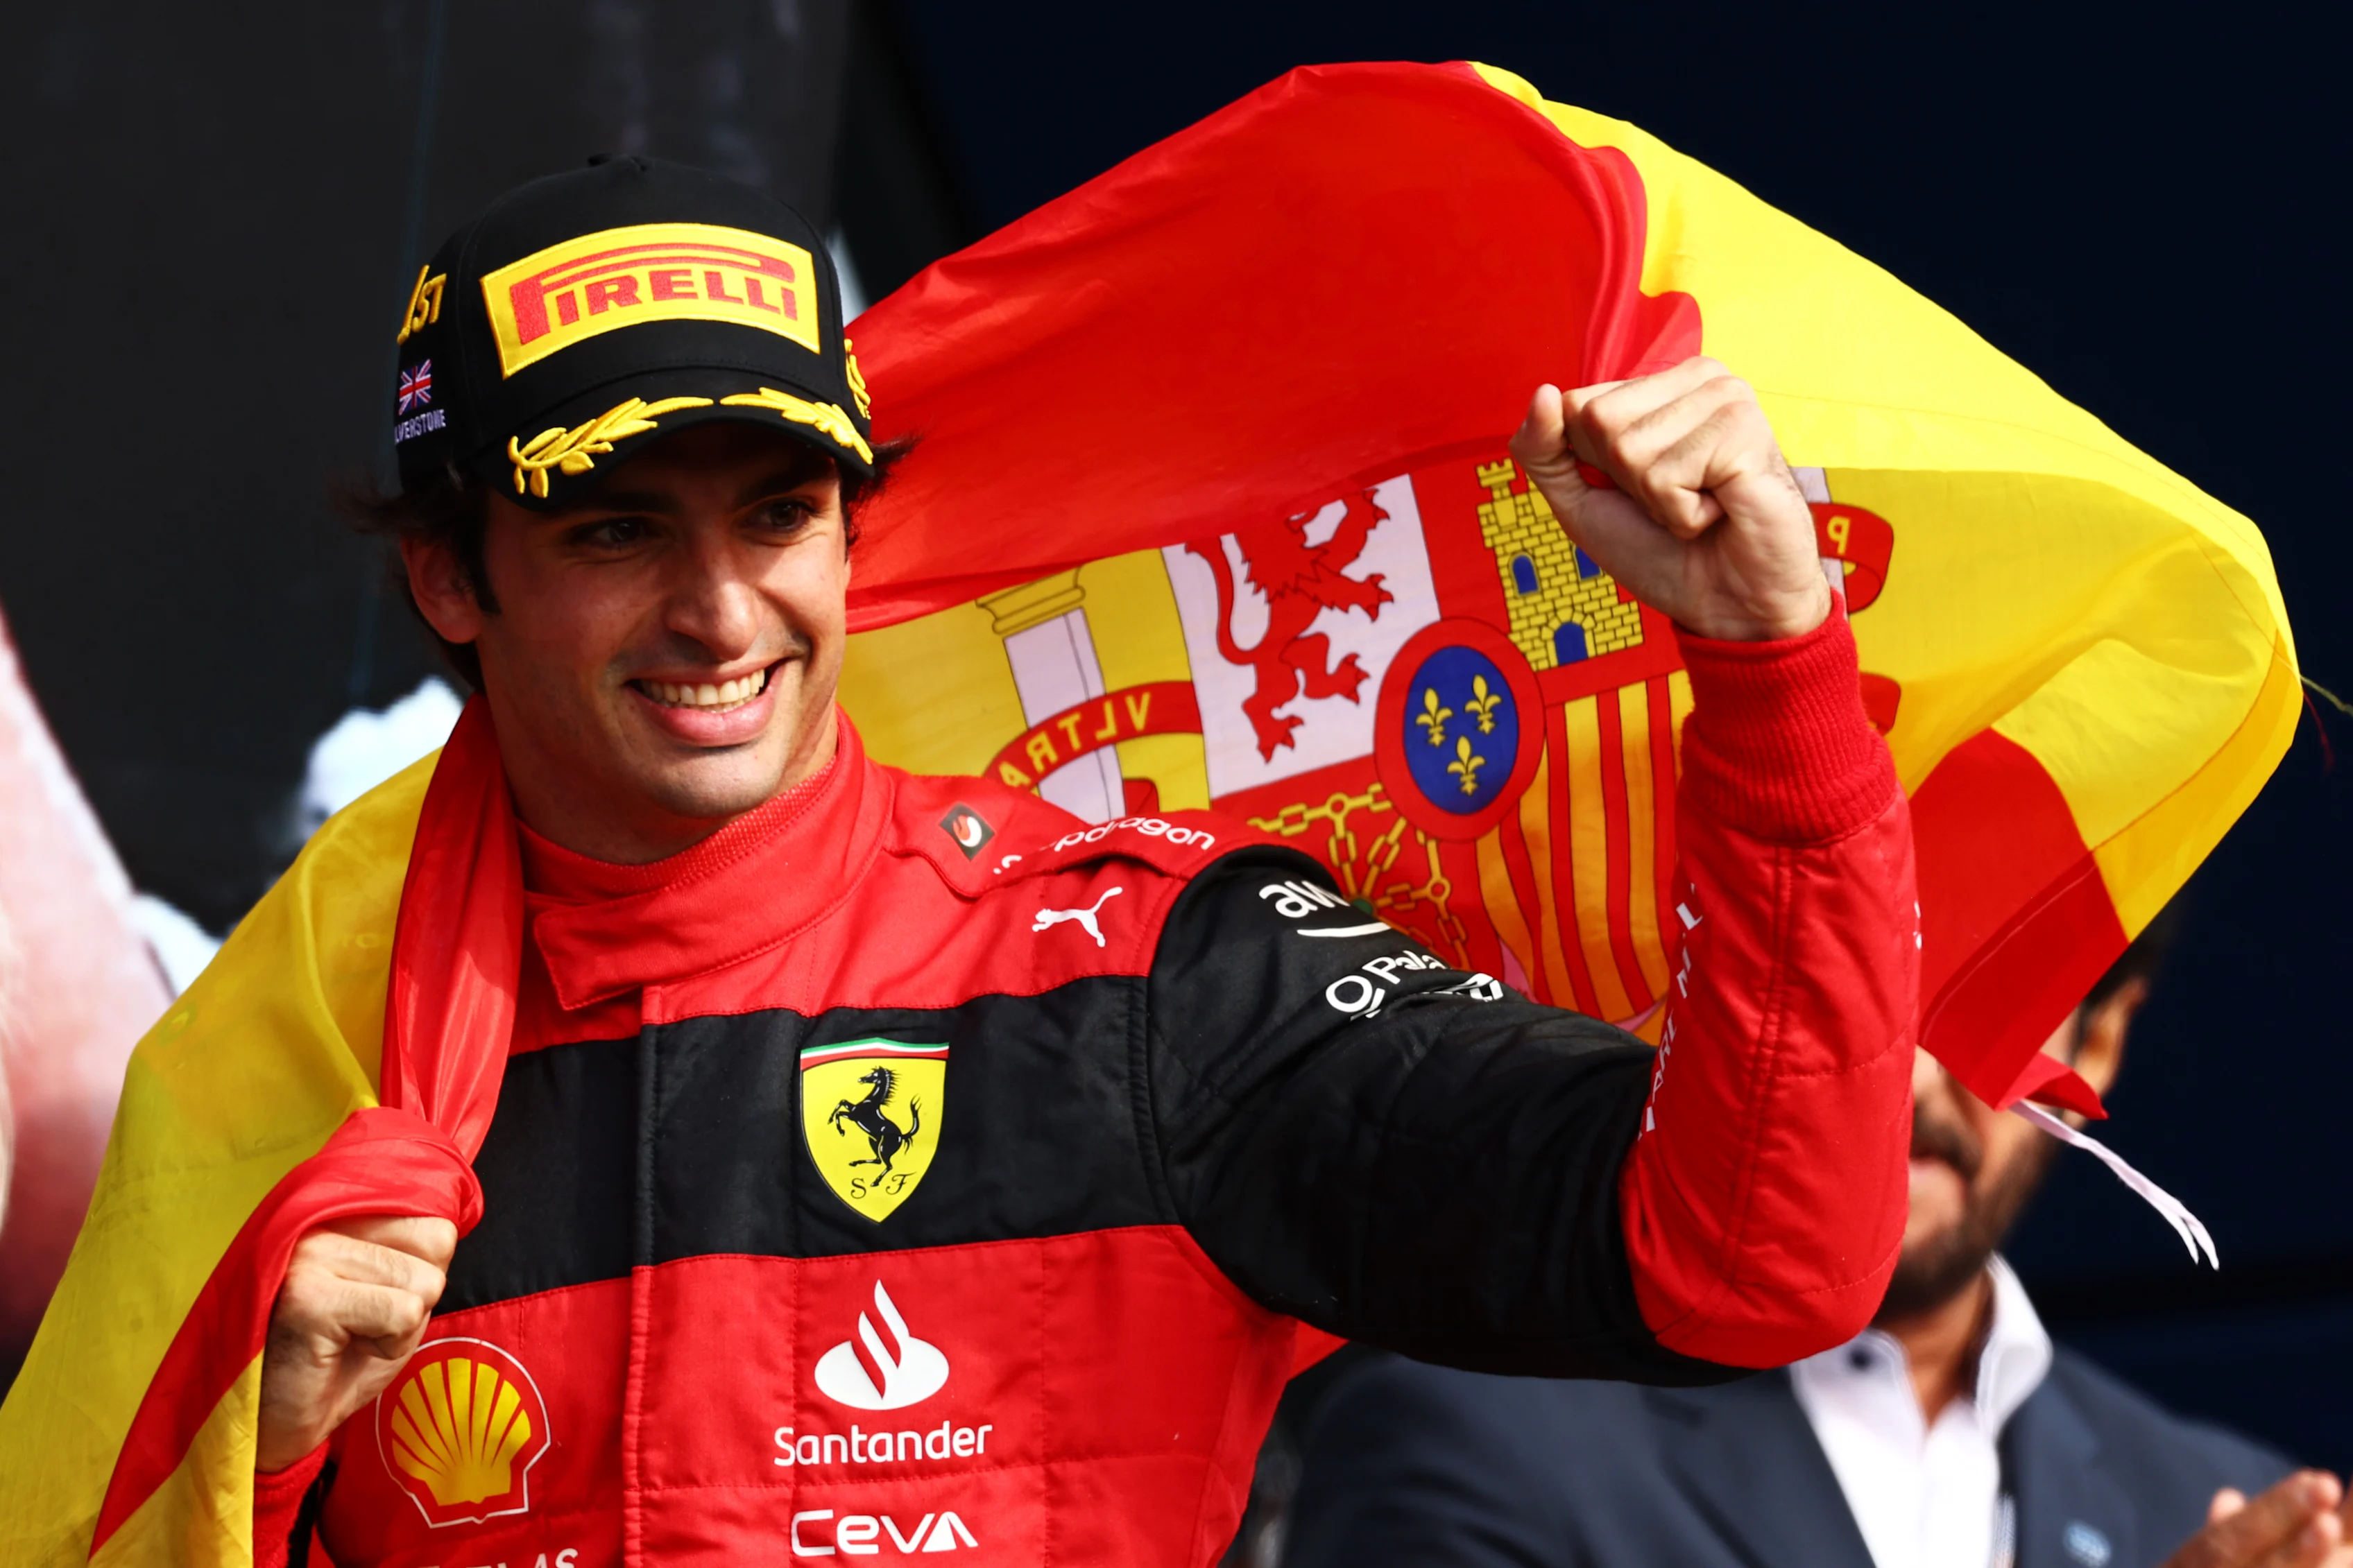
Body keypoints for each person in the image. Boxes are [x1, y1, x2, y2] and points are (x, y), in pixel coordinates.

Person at [207, 155, 1919, 1565]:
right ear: (450, 577)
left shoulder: (1138, 972)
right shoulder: (300, 1043)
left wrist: (1770, 671)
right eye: (615, 526)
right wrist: (253, 1454)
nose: (723, 611)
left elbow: (1752, 1265)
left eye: (782, 512)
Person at [1283, 922, 2343, 1568]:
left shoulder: (2233, 1501)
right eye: (1857, 991)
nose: (1919, 1077)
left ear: (2100, 1041)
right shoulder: (1464, 1437)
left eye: (1992, 996)